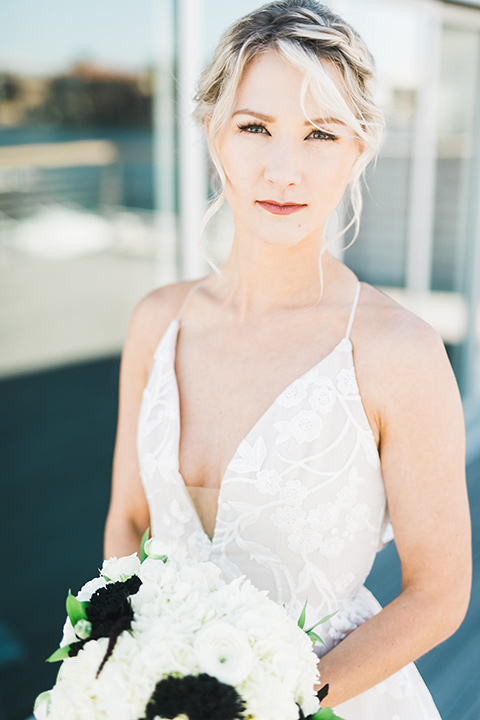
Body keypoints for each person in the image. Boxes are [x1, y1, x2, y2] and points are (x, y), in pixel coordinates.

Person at [104, 1, 472, 717]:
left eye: (320, 134)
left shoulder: (400, 351)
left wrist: (267, 703)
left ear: (359, 147)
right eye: (254, 127)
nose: (284, 169)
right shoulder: (156, 322)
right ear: (213, 134)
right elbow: (127, 521)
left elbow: (438, 594)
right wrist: (117, 657)